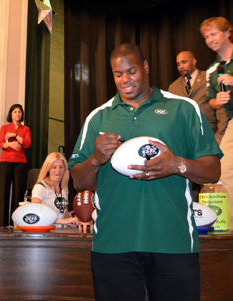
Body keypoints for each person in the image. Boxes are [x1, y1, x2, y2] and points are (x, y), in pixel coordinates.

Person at [68, 43, 222, 301]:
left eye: (132, 71)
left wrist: (176, 164)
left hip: (173, 243)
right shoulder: (98, 117)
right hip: (113, 245)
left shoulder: (183, 109)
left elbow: (213, 170)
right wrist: (96, 159)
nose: (125, 79)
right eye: (118, 74)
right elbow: (78, 181)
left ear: (146, 67)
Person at [201, 17, 233, 230]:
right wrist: (216, 102)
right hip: (231, 121)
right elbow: (211, 101)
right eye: (206, 36)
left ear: (228, 32)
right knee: (225, 172)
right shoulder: (212, 69)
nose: (210, 39)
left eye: (213, 34)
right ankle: (228, 228)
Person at [169, 50, 228, 143]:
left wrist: (220, 136)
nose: (181, 67)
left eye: (184, 62)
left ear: (193, 61)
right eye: (178, 64)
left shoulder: (209, 78)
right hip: (185, 139)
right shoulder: (173, 87)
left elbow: (222, 108)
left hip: (210, 135)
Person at [0, 104, 31, 227]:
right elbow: (1, 144)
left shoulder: (25, 129)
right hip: (5, 163)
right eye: (15, 111)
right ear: (11, 114)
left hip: (20, 164)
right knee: (3, 193)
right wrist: (11, 144)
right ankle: (2, 225)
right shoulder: (5, 127)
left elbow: (27, 143)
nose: (18, 114)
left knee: (18, 193)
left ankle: (16, 223)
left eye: (20, 112)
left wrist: (15, 136)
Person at [31, 152, 78, 226]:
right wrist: (62, 221)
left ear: (65, 170)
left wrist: (76, 214)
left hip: (59, 233)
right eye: (54, 167)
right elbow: (35, 214)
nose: (58, 170)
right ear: (48, 169)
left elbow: (64, 214)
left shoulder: (63, 189)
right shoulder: (41, 187)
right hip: (45, 234)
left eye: (61, 167)